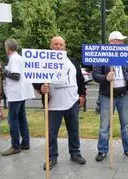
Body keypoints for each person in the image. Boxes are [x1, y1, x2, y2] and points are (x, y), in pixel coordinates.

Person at [34, 36, 87, 170]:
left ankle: (75, 153)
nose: (58, 47)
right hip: (53, 105)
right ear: (50, 46)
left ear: (65, 46)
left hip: (72, 102)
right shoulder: (44, 62)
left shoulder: (73, 61)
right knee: (51, 132)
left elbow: (80, 80)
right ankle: (52, 157)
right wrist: (41, 87)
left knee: (74, 130)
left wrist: (82, 94)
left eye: (61, 44)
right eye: (55, 44)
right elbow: (35, 78)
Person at [93, 31, 128, 161]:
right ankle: (102, 150)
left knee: (126, 124)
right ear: (112, 41)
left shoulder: (126, 54)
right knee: (104, 125)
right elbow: (95, 75)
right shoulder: (102, 55)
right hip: (107, 95)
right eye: (120, 41)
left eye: (123, 41)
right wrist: (106, 77)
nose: (123, 43)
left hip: (124, 94)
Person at [1, 39, 35, 156]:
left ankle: (15, 146)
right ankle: (25, 142)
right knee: (21, 118)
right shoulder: (19, 58)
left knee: (13, 120)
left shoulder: (14, 58)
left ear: (7, 48)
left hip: (16, 94)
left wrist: (2, 71)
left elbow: (15, 76)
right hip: (21, 93)